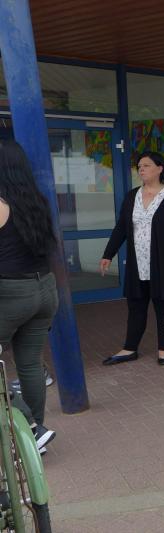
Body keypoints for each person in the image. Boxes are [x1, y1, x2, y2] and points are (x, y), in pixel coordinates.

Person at [99, 151, 164, 366]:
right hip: (137, 263)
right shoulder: (132, 196)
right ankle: (129, 348)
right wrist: (108, 254)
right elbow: (121, 227)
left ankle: (163, 350)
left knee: (163, 306)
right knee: (136, 307)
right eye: (139, 166)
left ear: (160, 168)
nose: (141, 169)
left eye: (146, 165)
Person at [0, 139, 59, 453]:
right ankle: (34, 438)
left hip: (11, 294)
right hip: (44, 289)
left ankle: (31, 426)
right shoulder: (36, 201)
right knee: (30, 365)